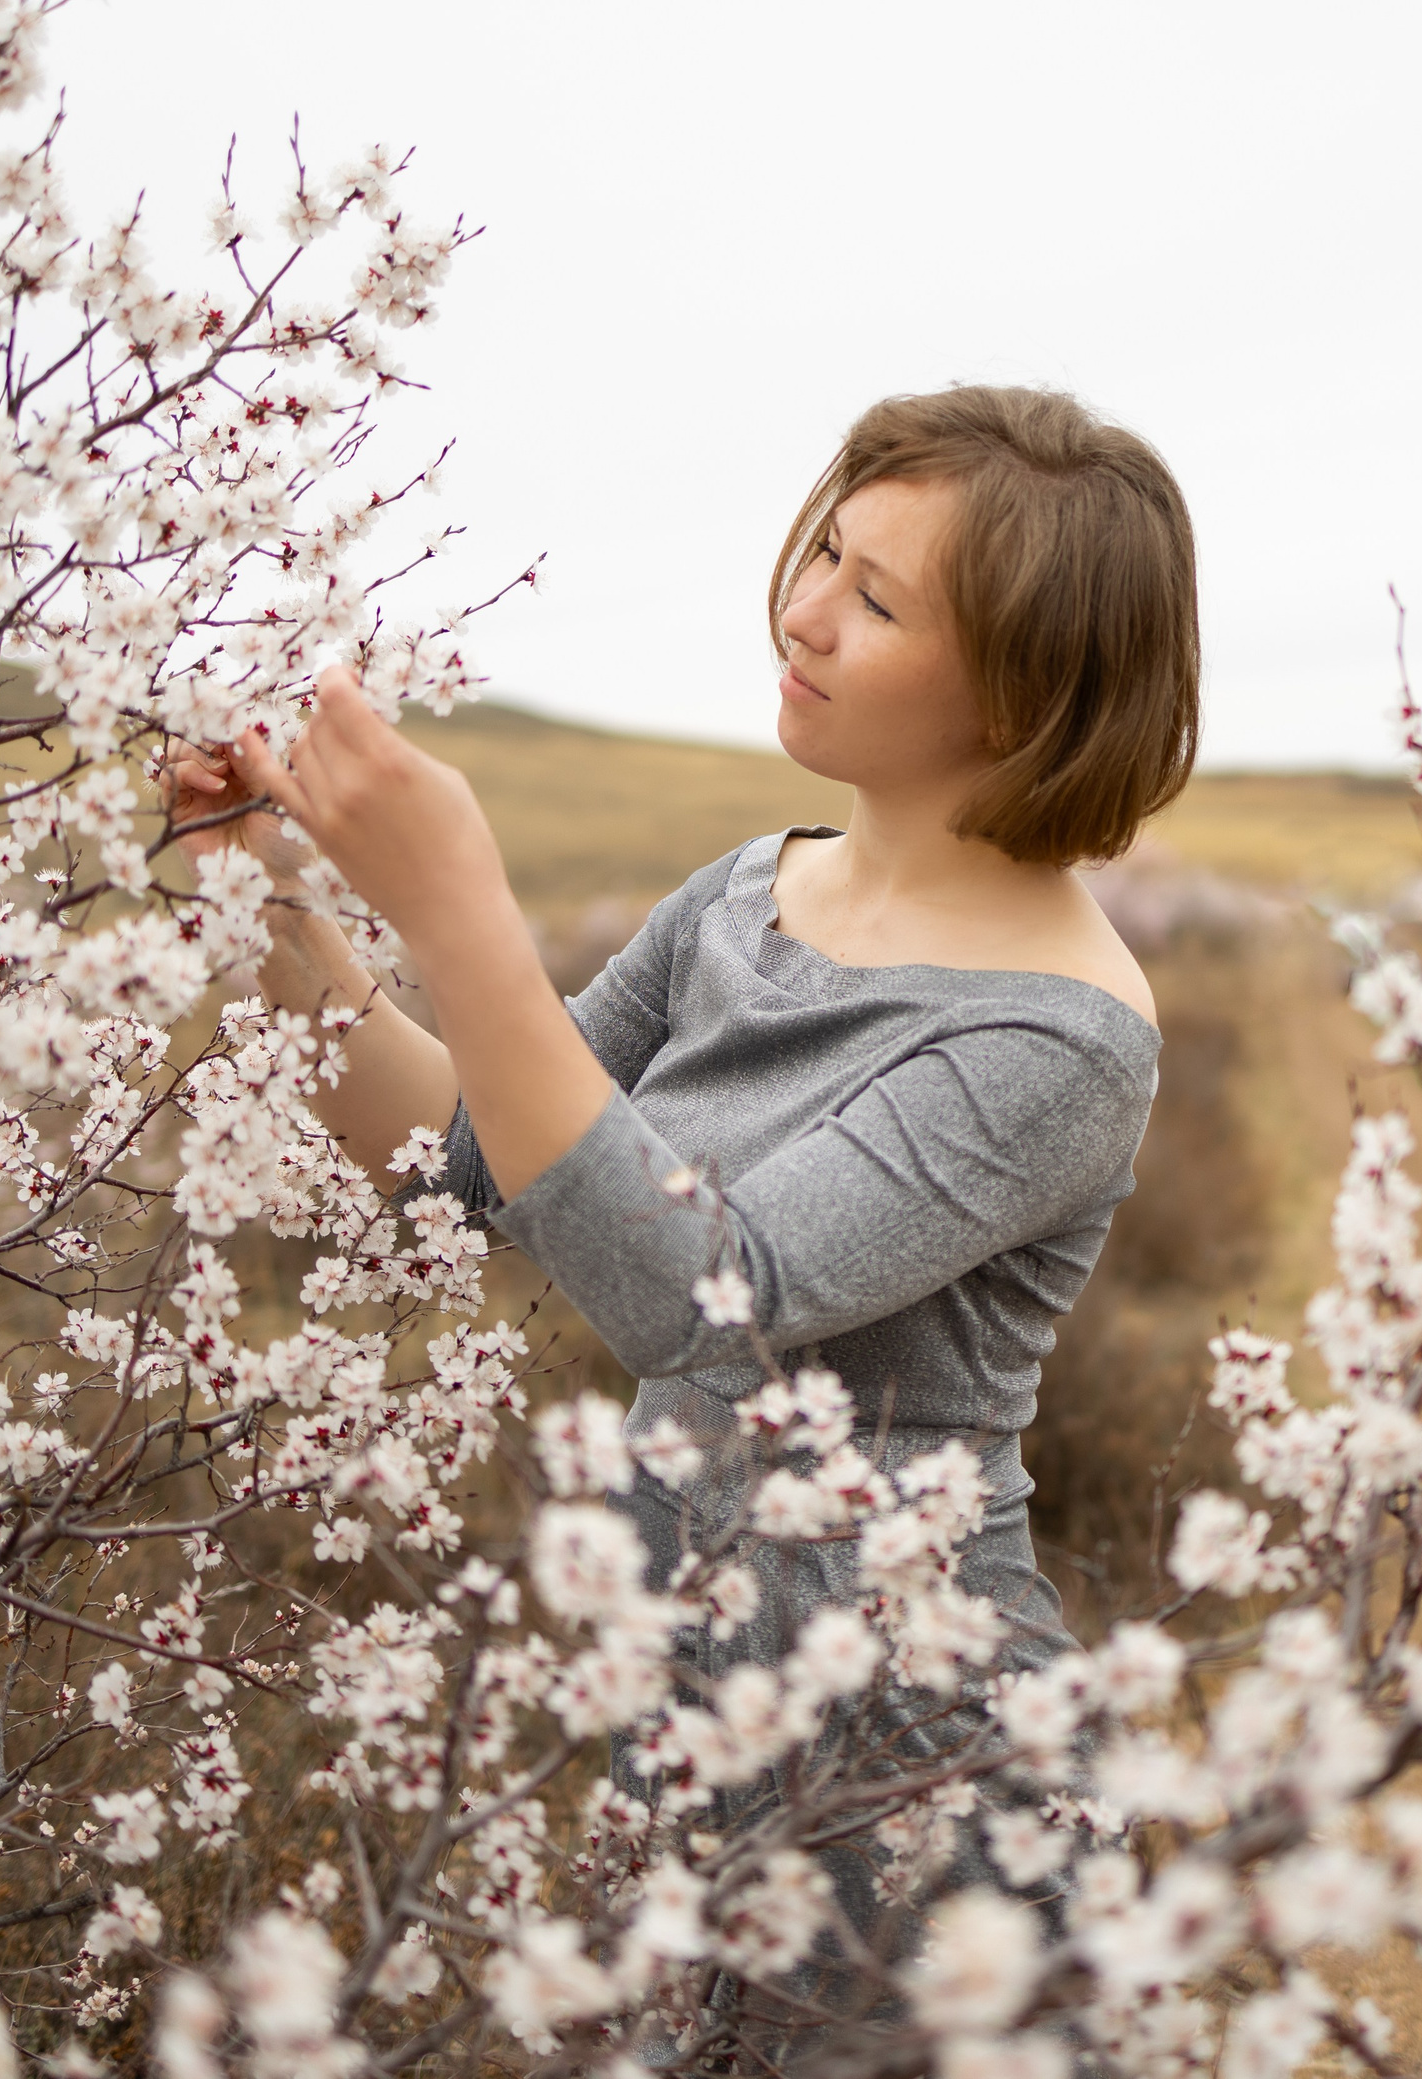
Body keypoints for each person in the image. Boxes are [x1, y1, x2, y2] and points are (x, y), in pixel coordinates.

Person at [161, 382, 1199, 1966]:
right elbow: (467, 1162)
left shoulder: (1061, 1037)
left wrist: (461, 920)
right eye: (826, 553)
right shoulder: (741, 897)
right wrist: (260, 900)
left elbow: (712, 1304)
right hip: (696, 1724)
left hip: (929, 1772)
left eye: (878, 598)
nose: (806, 611)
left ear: (1026, 691)